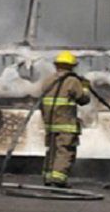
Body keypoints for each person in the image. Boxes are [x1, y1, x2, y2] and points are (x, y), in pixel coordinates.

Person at [40, 51, 91, 188]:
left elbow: (41, 102)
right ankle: (59, 180)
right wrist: (85, 87)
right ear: (72, 66)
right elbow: (83, 100)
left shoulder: (48, 80)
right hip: (66, 125)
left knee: (52, 151)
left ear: (57, 65)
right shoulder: (72, 81)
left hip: (50, 124)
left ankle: (48, 177)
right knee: (65, 151)